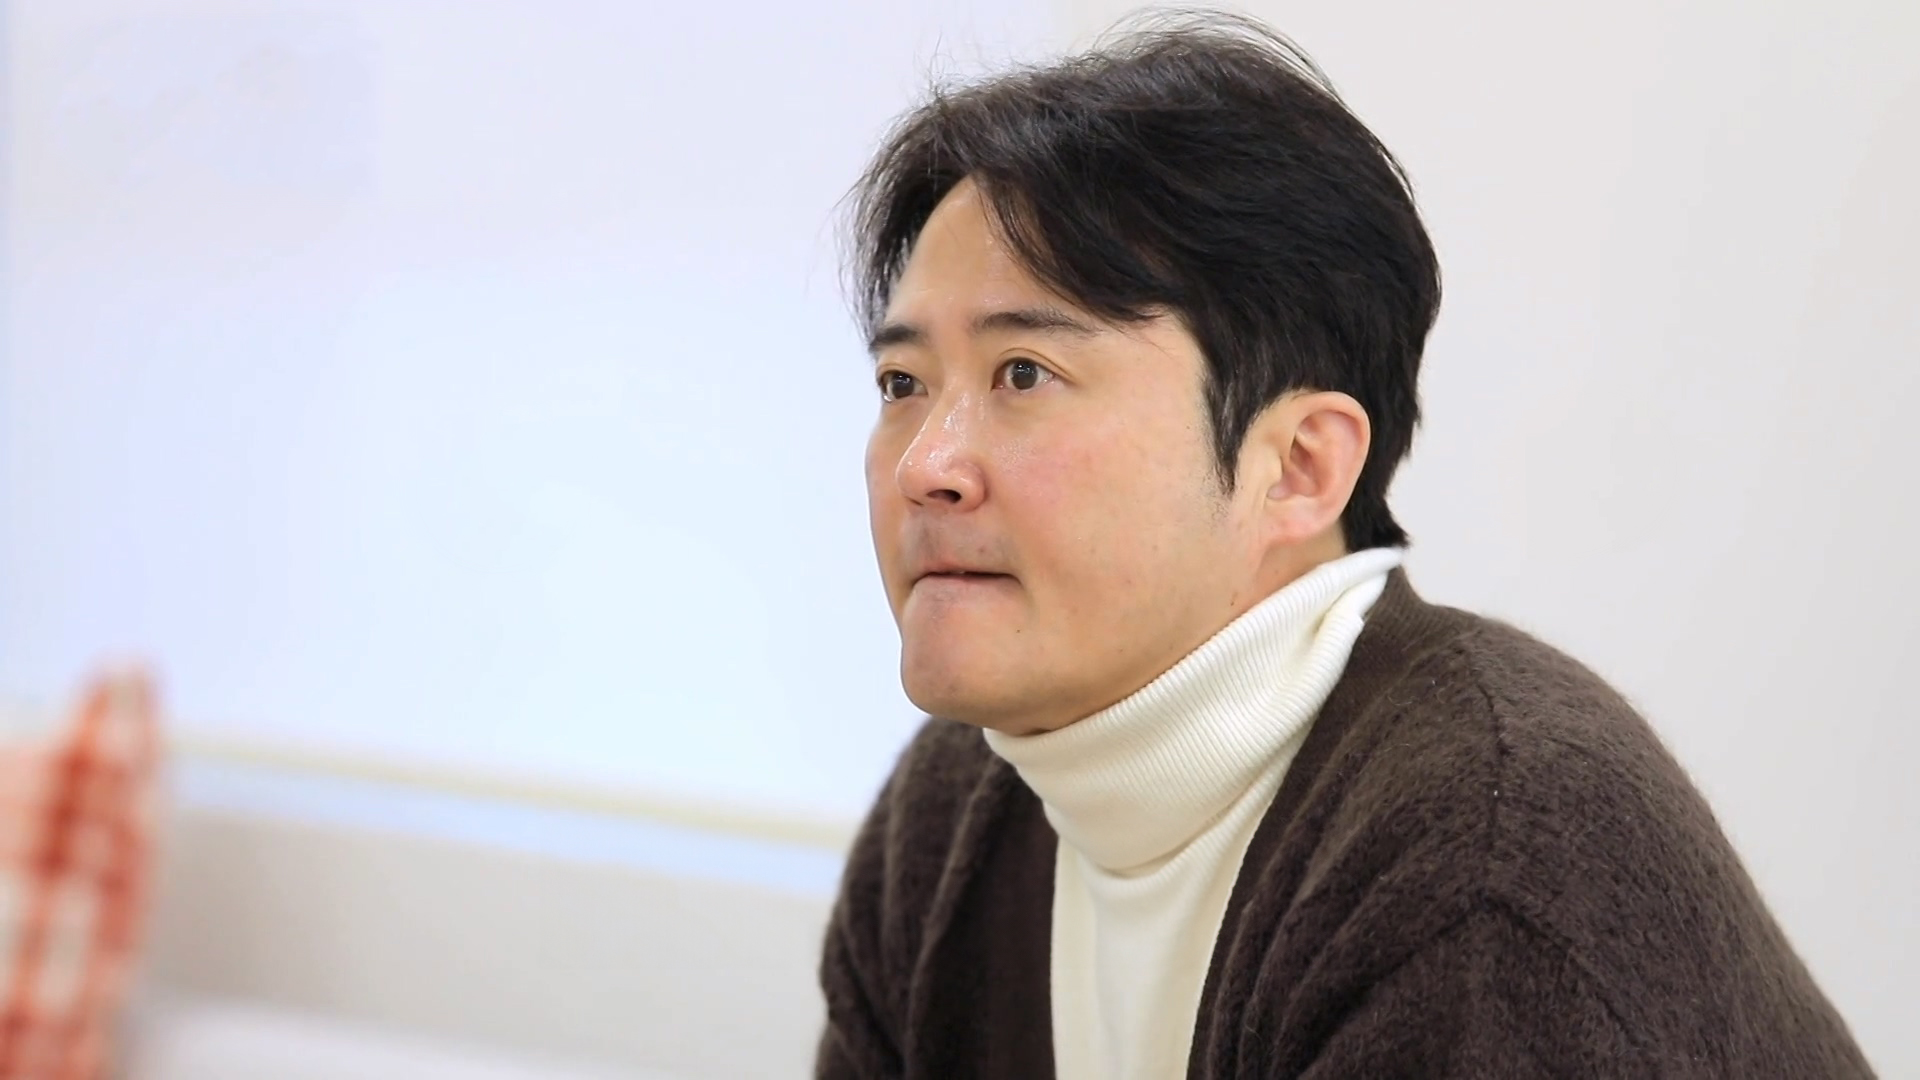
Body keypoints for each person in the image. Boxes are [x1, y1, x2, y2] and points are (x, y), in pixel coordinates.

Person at [815, 13, 1870, 1079]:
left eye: (1024, 374)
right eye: (903, 384)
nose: (925, 465)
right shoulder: (952, 814)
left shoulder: (1485, 850)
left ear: (1300, 467)